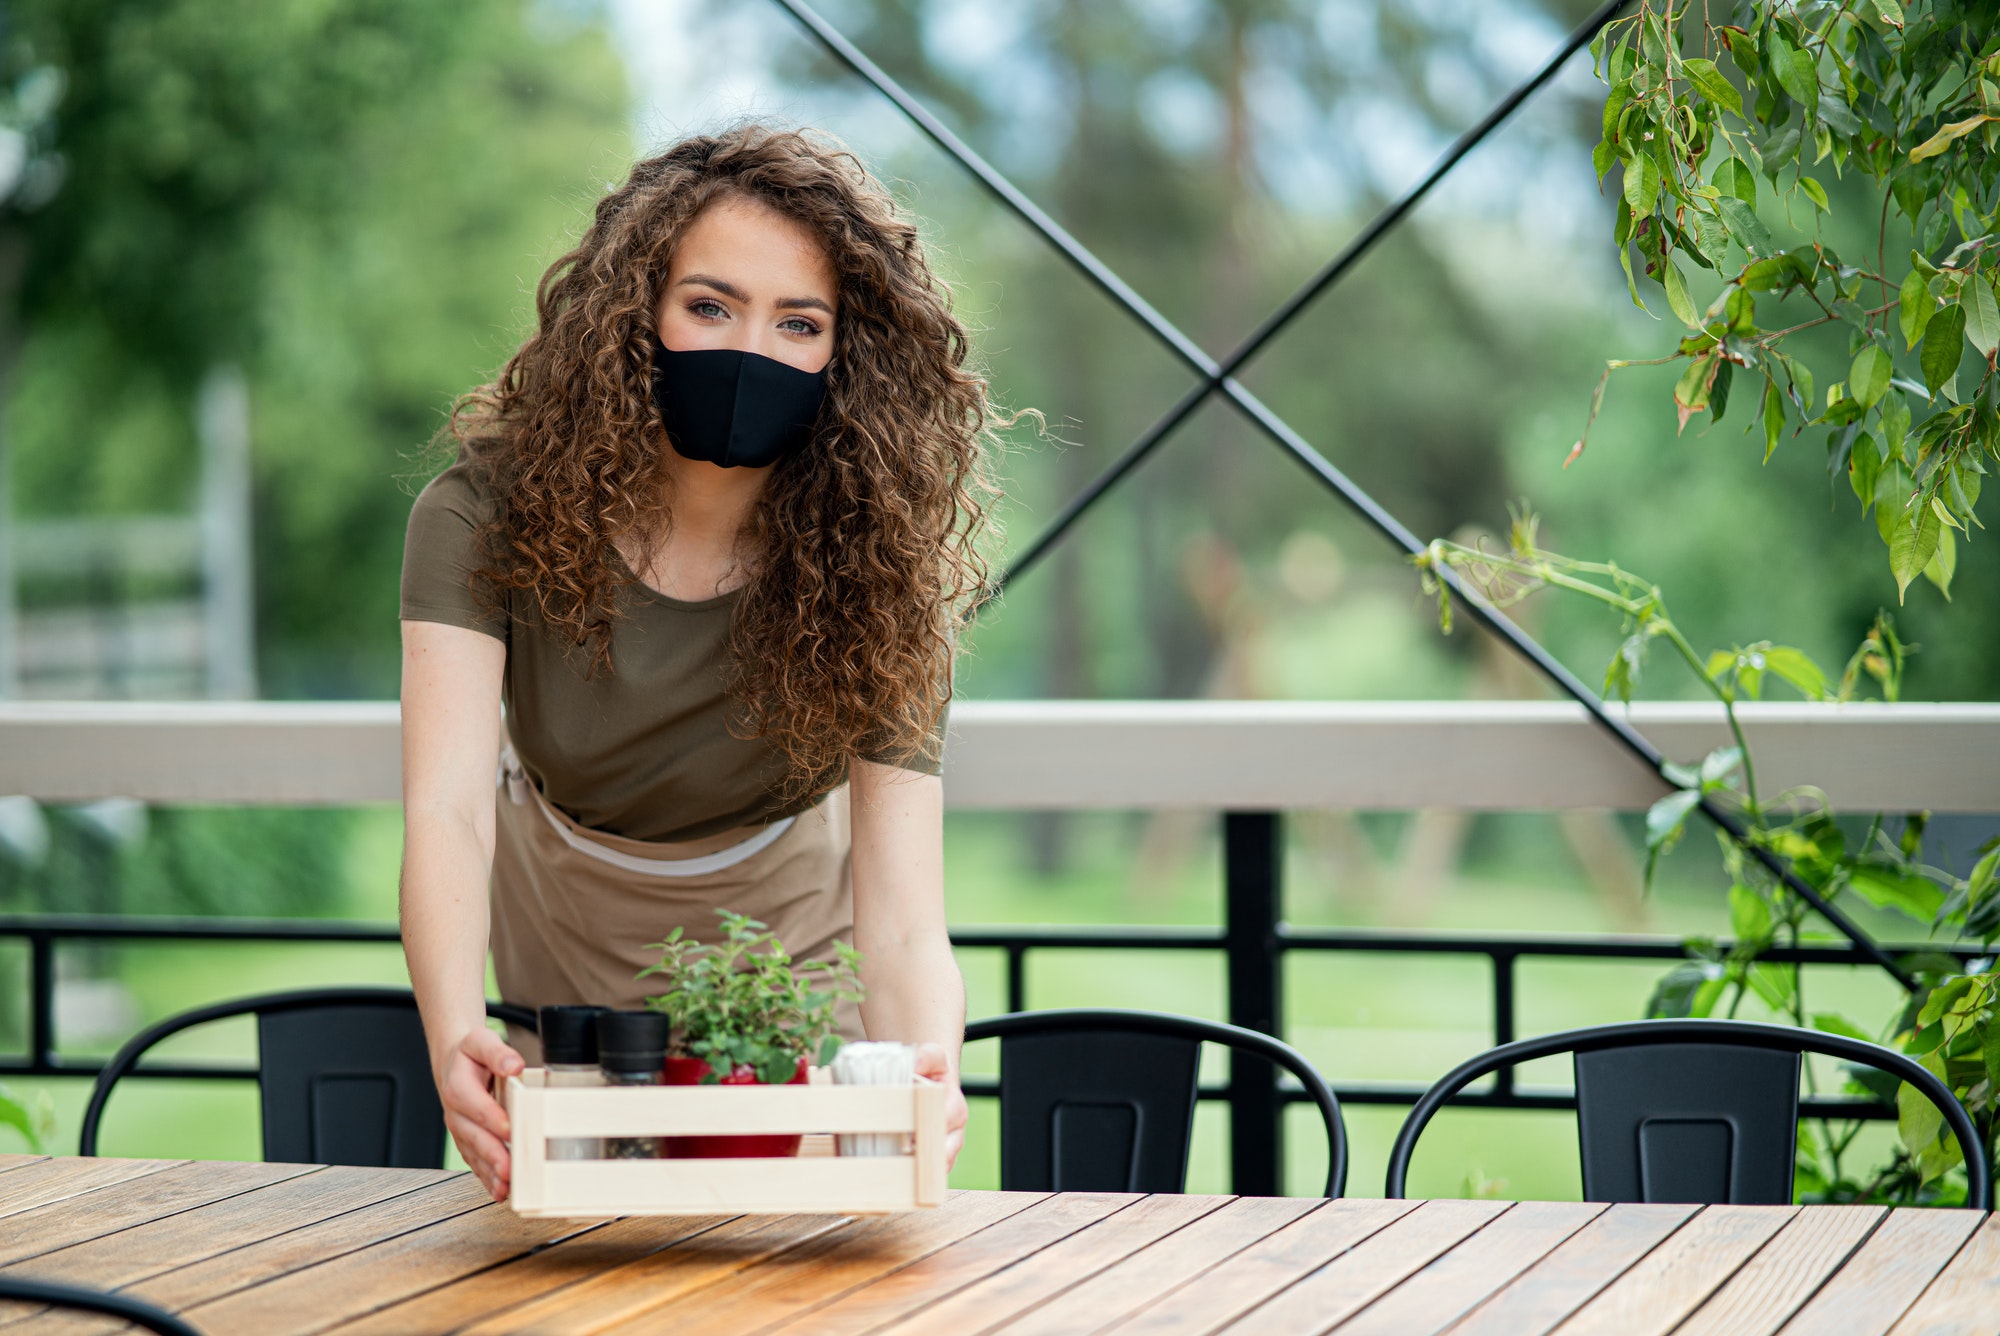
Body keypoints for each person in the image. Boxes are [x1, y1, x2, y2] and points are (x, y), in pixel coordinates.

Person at [398, 125, 1002, 1200]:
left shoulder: (883, 572)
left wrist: (929, 1077)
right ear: (635, 311)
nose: (749, 350)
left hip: (798, 953)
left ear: (844, 356)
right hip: (563, 934)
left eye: (798, 322)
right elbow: (445, 810)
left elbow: (903, 911)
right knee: (584, 1254)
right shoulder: (478, 513)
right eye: (710, 306)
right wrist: (456, 1035)